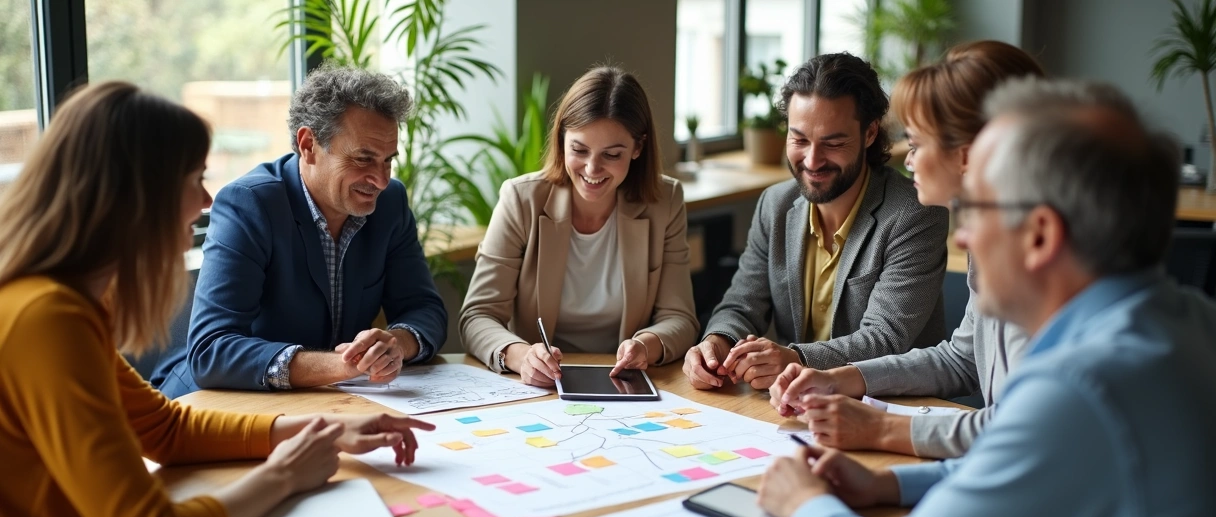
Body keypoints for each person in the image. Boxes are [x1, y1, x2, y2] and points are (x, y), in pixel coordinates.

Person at [759, 78, 1216, 517]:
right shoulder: (1187, 319)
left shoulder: (1080, 389)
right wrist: (891, 486)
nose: (965, 238)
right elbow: (1025, 461)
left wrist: (804, 504)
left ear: (1040, 236)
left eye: (977, 210)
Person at [0, 81, 436, 517]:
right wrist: (283, 476)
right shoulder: (48, 322)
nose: (205, 201)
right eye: (192, 180)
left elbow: (164, 426)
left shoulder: (58, 302)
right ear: (136, 195)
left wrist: (321, 429)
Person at [770, 41, 1044, 459]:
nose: (909, 161)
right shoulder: (992, 238)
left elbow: (1019, 430)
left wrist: (880, 428)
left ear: (967, 155)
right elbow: (962, 360)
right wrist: (842, 379)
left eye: (915, 144)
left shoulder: (1040, 261)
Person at [153, 63, 447, 398]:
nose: (381, 180)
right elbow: (212, 351)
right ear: (308, 145)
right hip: (215, 402)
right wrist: (345, 365)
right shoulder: (249, 204)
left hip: (328, 400)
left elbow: (425, 308)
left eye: (387, 160)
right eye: (363, 159)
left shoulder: (390, 202)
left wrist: (396, 343)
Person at [684, 52, 948, 392]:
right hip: (799, 405)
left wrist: (796, 359)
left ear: (870, 134)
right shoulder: (774, 205)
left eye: (833, 143)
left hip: (892, 404)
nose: (812, 160)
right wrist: (717, 341)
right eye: (799, 139)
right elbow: (742, 303)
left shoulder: (915, 214)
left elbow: (885, 339)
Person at [460, 66, 698, 387]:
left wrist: (646, 345)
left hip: (623, 381)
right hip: (539, 386)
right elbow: (478, 315)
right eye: (579, 150)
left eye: (612, 154)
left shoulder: (665, 200)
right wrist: (519, 355)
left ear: (638, 148)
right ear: (562, 140)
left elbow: (679, 317)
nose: (592, 168)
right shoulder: (521, 199)